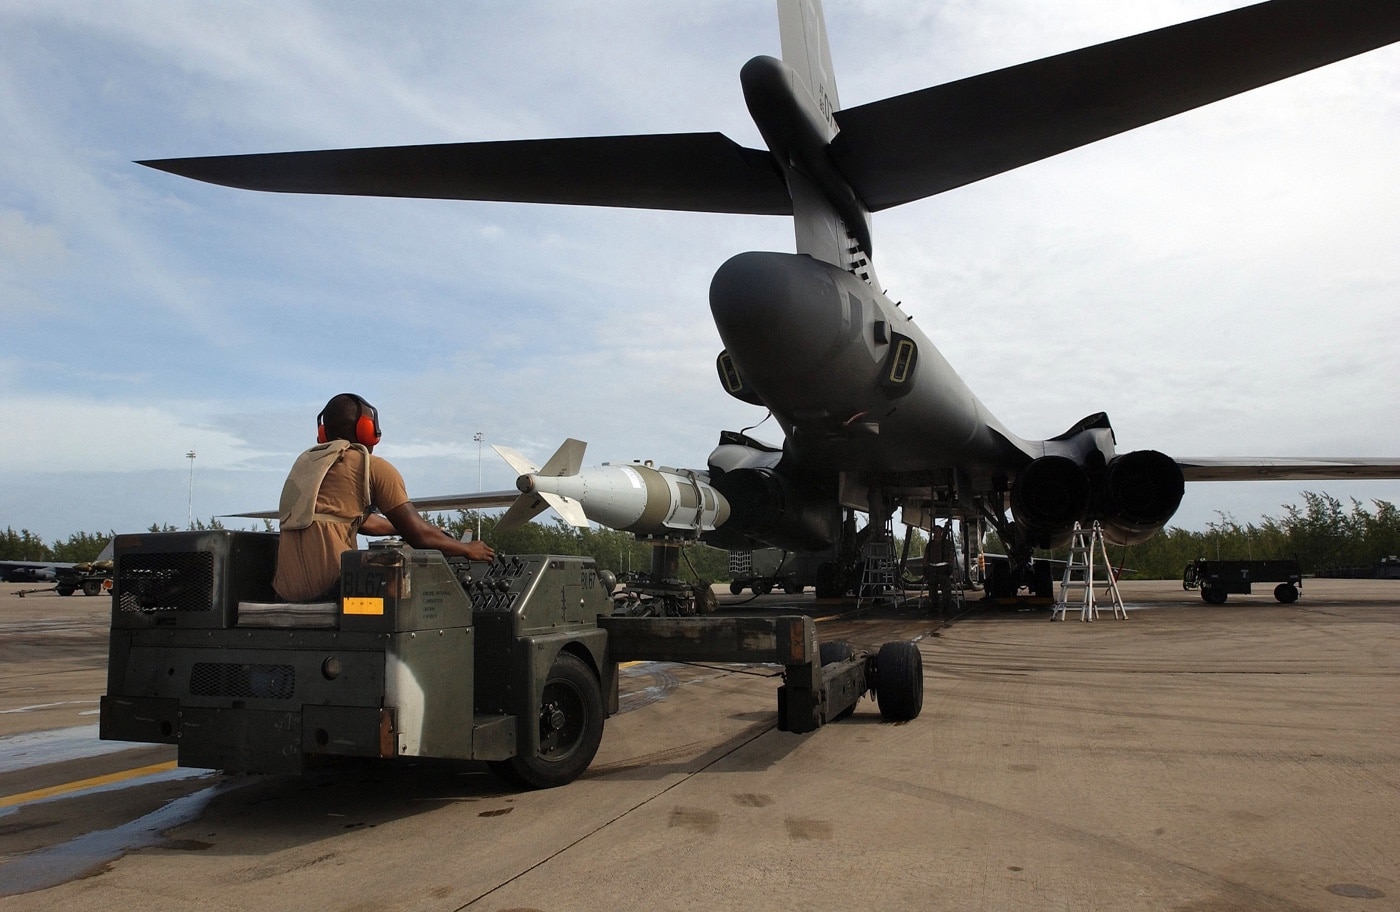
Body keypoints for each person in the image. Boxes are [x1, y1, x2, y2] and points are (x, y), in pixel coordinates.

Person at [272, 392, 494, 601]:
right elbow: (419, 537)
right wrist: (467, 549)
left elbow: (358, 521)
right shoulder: (371, 467)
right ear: (366, 430)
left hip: (285, 594)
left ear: (324, 433)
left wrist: (399, 527)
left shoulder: (305, 469)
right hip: (334, 590)